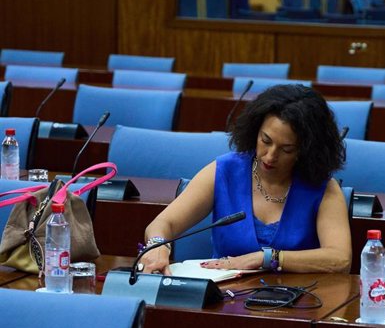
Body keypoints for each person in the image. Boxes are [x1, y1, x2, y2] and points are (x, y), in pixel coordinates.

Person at [140, 84, 352, 275]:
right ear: (255, 131)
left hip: (298, 304)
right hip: (223, 301)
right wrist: (158, 245)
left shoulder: (322, 188)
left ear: (306, 150)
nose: (270, 156)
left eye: (286, 149)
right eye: (265, 141)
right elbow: (161, 223)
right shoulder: (225, 171)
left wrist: (267, 258)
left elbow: (340, 259)